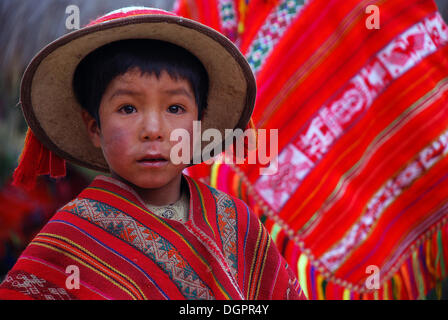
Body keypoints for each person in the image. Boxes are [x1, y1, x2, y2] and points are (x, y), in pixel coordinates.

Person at [0, 7, 305, 300]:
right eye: (128, 108)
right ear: (94, 128)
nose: (153, 130)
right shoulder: (71, 238)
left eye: (175, 108)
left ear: (198, 125)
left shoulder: (236, 222)